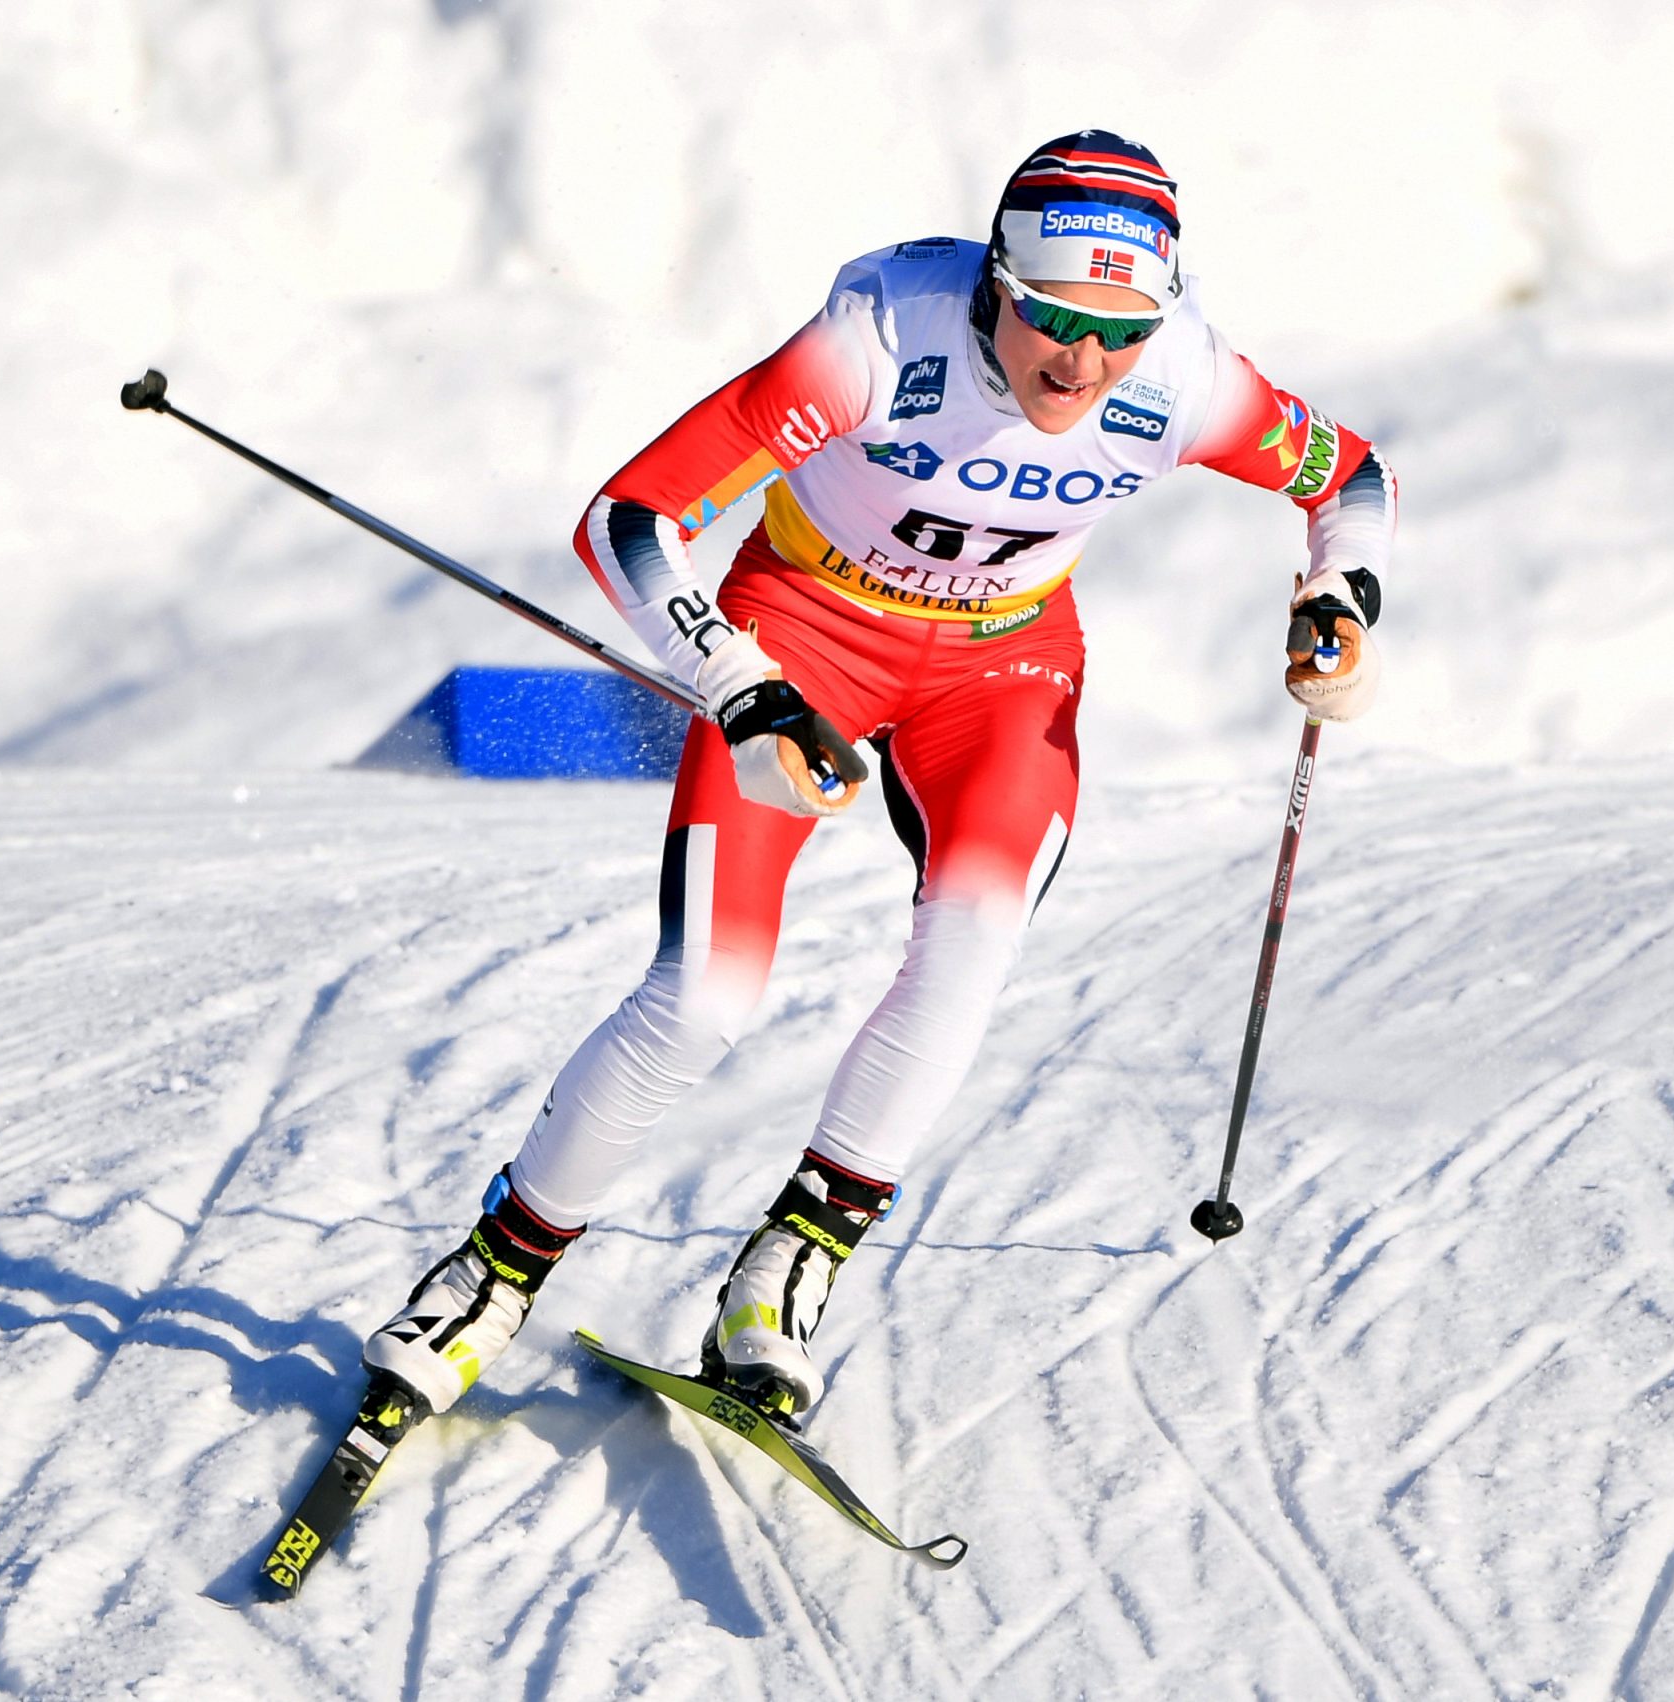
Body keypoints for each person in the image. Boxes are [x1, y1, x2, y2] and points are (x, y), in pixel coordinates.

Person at [362, 130, 1396, 1423]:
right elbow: (630, 519)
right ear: (997, 285)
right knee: (703, 998)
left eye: (1120, 331)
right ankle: (498, 1265)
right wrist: (737, 681)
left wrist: (1340, 600)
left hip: (1002, 669)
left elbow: (1350, 476)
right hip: (803, 629)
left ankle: (795, 1258)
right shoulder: (877, 342)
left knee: (972, 946)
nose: (1080, 362)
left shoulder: (1184, 380)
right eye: (1054, 318)